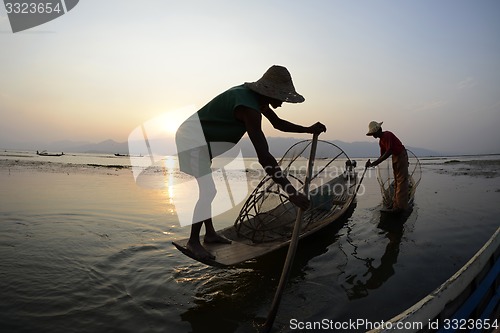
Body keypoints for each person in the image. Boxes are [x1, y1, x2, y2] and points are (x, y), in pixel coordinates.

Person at [175, 65, 327, 260]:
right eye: (281, 97)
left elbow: (278, 123)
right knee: (208, 190)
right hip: (192, 140)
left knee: (209, 190)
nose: (282, 102)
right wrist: (291, 192)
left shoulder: (257, 100)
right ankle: (193, 241)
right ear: (271, 92)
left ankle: (210, 234)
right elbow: (264, 156)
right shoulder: (249, 108)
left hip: (203, 141)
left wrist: (308, 129)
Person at [365, 121, 409, 213]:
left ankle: (400, 207)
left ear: (379, 130)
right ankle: (395, 204)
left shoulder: (387, 135)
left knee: (401, 181)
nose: (373, 136)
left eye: (374, 133)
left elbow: (388, 152)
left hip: (401, 155)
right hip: (395, 157)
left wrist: (375, 163)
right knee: (397, 181)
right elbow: (382, 156)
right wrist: (372, 164)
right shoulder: (381, 141)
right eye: (372, 134)